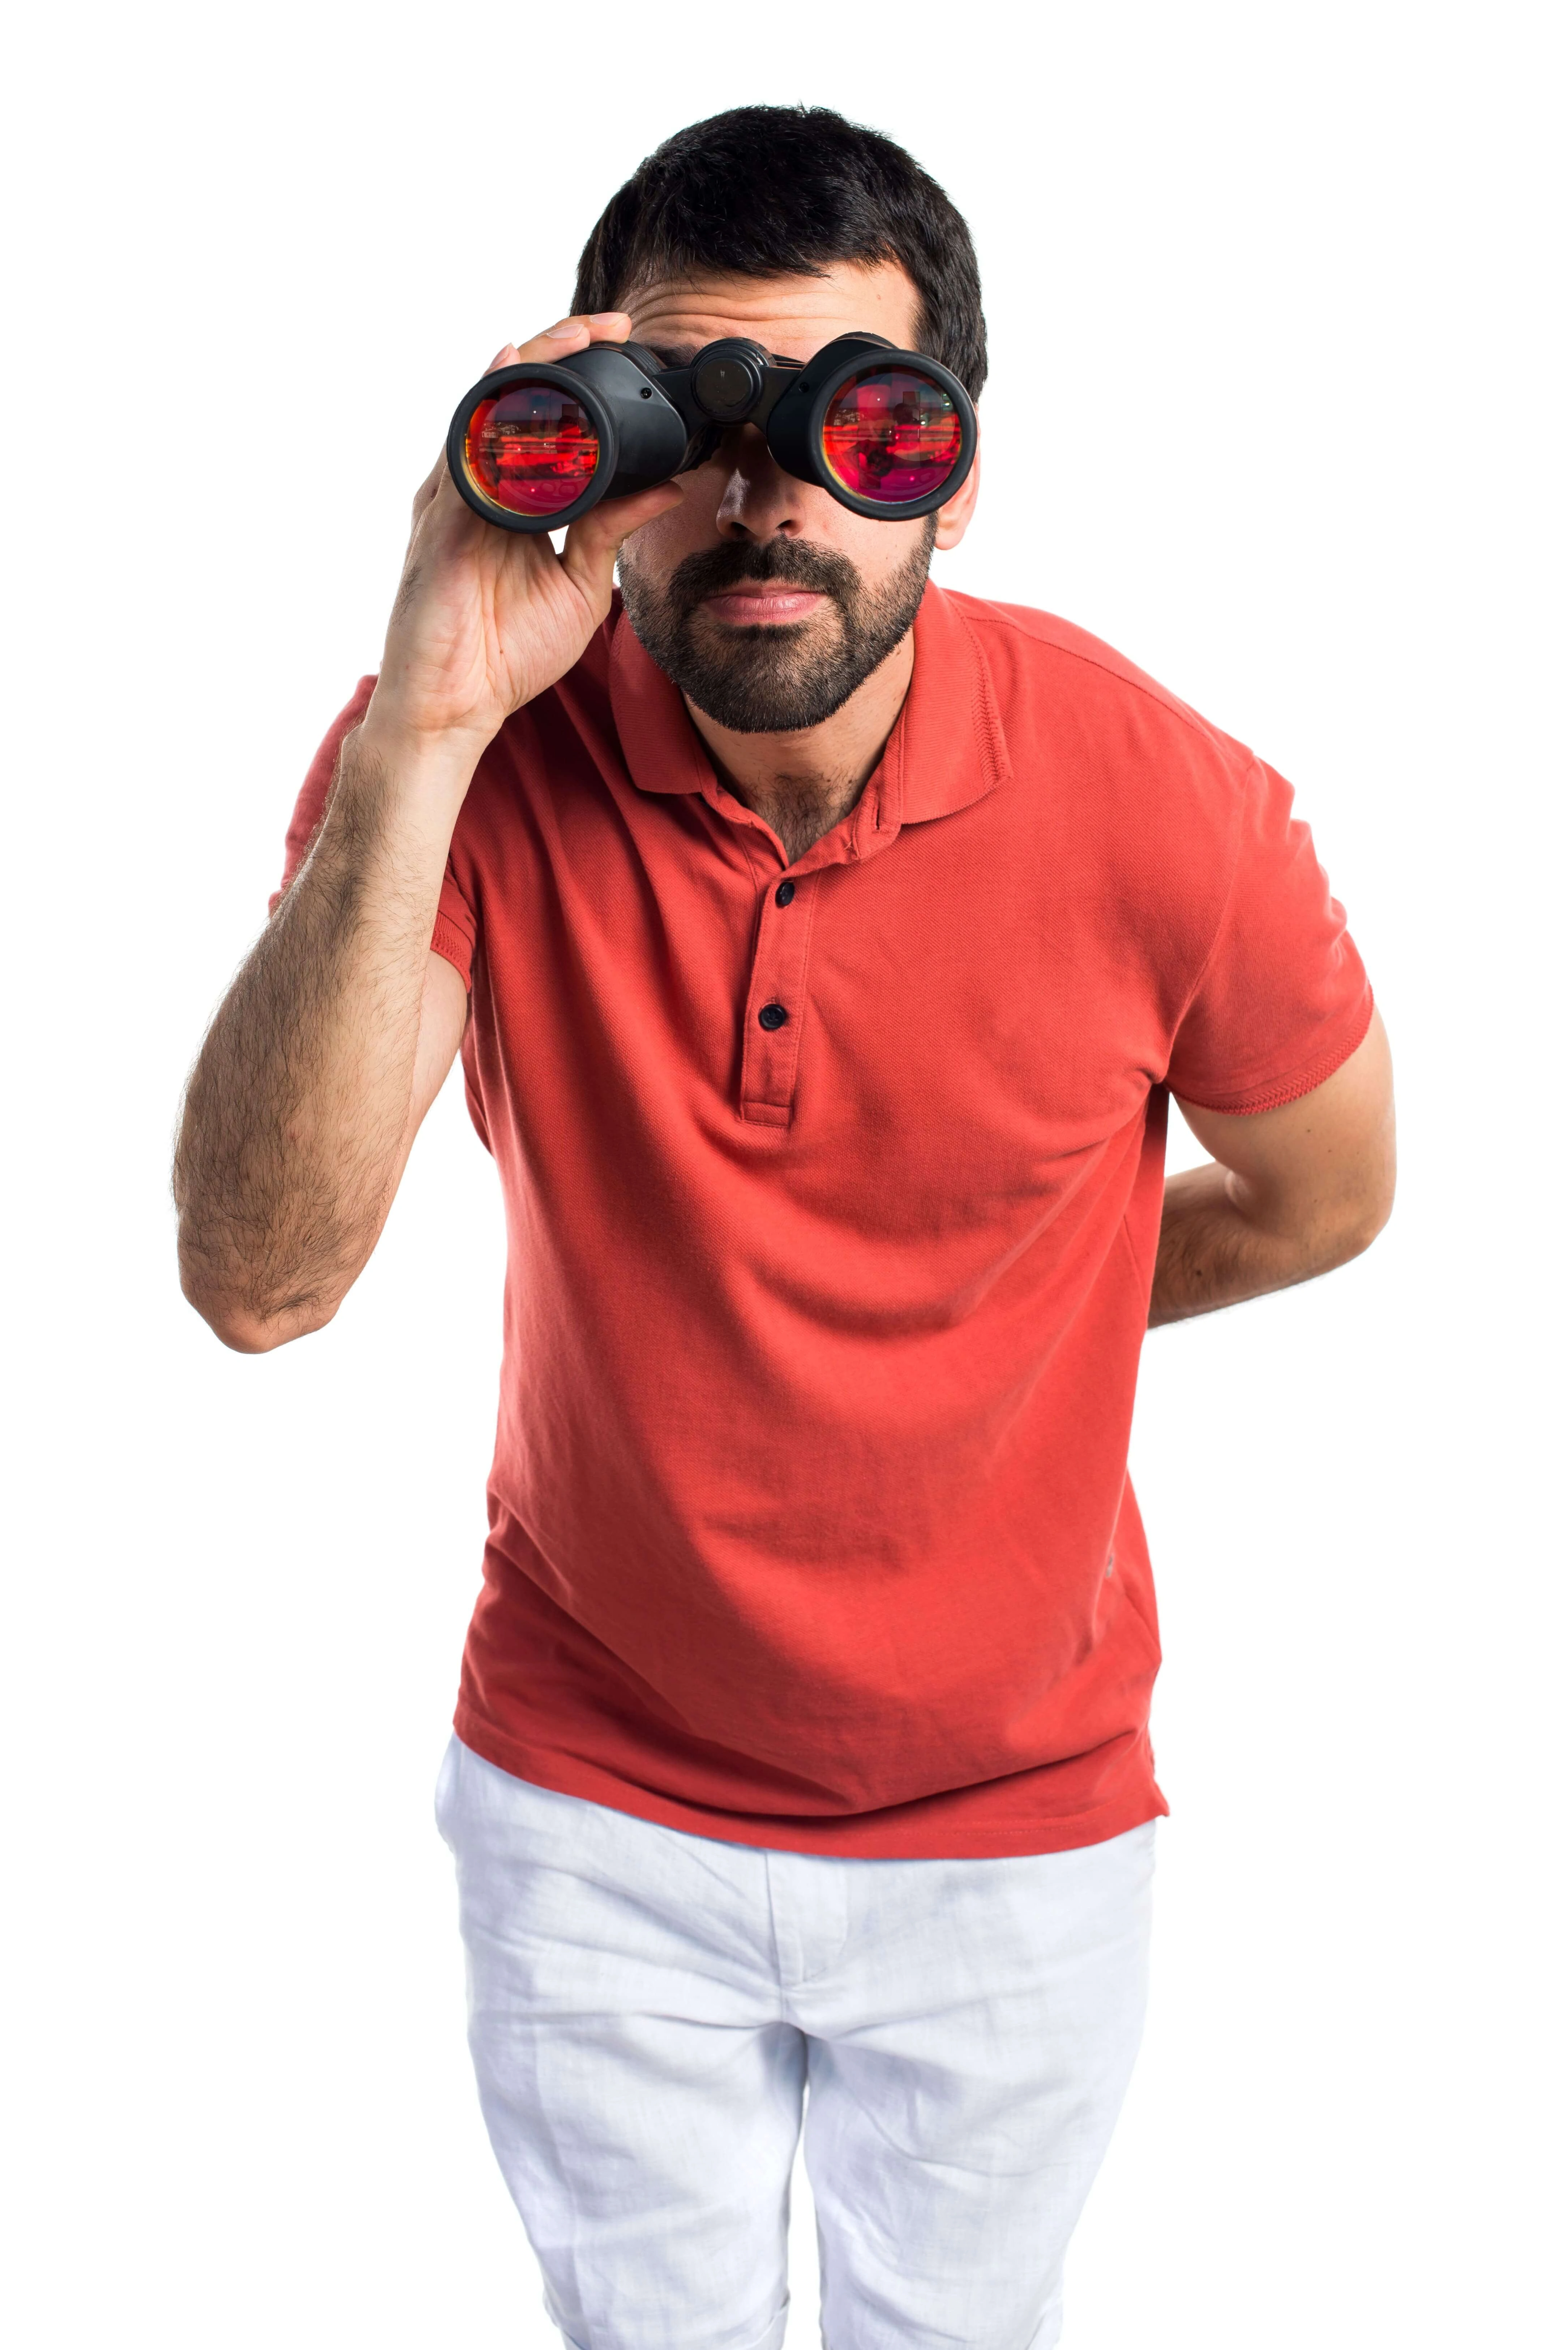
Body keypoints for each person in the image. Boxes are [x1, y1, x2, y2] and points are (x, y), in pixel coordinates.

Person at [174, 103, 1394, 2350]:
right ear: (592, 436)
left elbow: (1331, 1196)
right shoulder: (465, 757)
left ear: (952, 468)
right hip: (591, 1801)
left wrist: (1008, 1328)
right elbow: (261, 1282)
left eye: (859, 425)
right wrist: (429, 718)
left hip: (1018, 1828)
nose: (771, 503)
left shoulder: (1166, 809)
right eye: (695, 421)